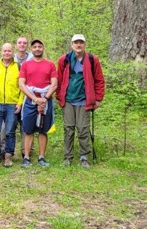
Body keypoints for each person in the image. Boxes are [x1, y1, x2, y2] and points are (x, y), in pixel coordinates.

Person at [56, 34, 105, 169]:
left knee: (83, 129)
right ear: (72, 45)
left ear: (85, 45)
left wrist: (98, 98)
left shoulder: (92, 59)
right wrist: (59, 97)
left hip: (84, 100)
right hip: (68, 100)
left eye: (81, 43)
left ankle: (84, 157)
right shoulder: (64, 60)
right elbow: (59, 80)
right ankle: (67, 157)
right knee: (68, 129)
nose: (78, 45)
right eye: (76, 43)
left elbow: (99, 80)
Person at [19, 39, 58, 167]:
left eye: (39, 47)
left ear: (43, 48)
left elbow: (54, 84)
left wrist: (44, 99)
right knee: (28, 130)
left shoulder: (50, 65)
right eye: (34, 47)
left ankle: (41, 157)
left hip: (45, 101)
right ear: (31, 49)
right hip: (31, 101)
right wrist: (35, 99)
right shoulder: (26, 65)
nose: (37, 49)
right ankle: (26, 157)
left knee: (43, 130)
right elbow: (22, 84)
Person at [0, 43, 23, 166]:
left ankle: (8, 155)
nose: (7, 53)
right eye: (5, 51)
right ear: (1, 52)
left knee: (10, 132)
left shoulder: (18, 66)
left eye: (9, 51)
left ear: (13, 52)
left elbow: (23, 86)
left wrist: (20, 102)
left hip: (12, 103)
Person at [14, 36, 34, 157]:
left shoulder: (32, 59)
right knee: (10, 125)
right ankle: (6, 150)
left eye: (24, 43)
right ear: (16, 45)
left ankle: (26, 149)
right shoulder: (11, 59)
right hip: (13, 96)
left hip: (29, 95)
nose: (22, 45)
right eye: (19, 43)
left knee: (26, 124)